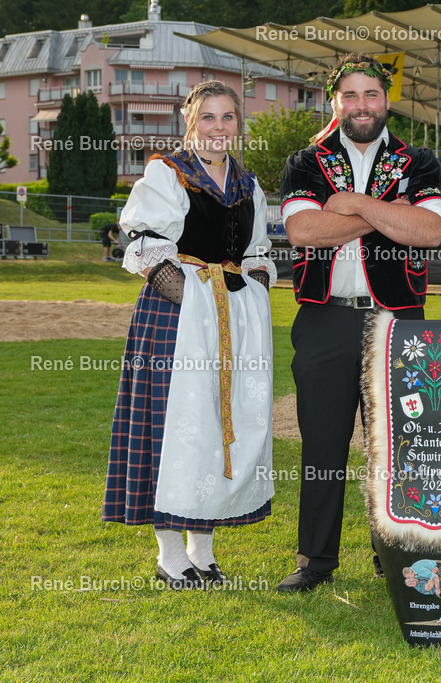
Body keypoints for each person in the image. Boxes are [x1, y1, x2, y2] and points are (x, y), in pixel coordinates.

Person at [275, 54, 441, 593]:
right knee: (323, 446)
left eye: (370, 94)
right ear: (336, 103)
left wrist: (351, 205)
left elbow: (426, 231)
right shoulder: (307, 160)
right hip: (325, 319)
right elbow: (304, 231)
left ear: (387, 99)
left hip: (399, 325)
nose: (361, 105)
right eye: (349, 96)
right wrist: (385, 215)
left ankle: (394, 555)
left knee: (398, 447)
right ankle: (316, 561)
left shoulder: (419, 160)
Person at [102, 81, 276, 590]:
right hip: (175, 318)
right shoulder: (168, 172)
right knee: (170, 427)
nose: (218, 128)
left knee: (217, 425)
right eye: (208, 118)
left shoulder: (248, 185)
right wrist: (200, 303)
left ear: (238, 125)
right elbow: (147, 246)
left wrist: (247, 297)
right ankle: (170, 555)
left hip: (229, 321)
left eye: (227, 118)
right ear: (189, 122)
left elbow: (258, 253)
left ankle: (203, 551)